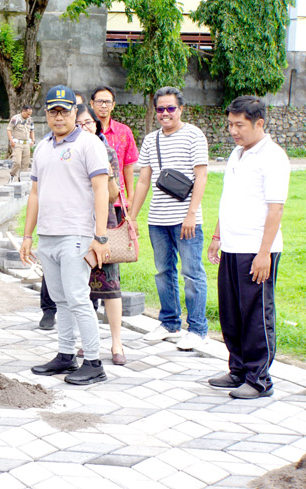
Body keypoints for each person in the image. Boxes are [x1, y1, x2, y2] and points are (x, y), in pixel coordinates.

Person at [19, 85, 111, 385]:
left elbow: (101, 189)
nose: (59, 117)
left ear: (75, 111)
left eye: (65, 110)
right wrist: (27, 235)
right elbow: (34, 193)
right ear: (46, 113)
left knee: (78, 297)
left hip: (77, 232)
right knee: (59, 299)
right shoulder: (42, 146)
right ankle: (66, 354)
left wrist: (100, 236)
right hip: (48, 233)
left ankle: (94, 361)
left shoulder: (89, 144)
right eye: (53, 111)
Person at [207, 96, 289, 399]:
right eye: (230, 124)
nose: (233, 130)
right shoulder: (236, 154)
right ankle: (238, 370)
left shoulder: (274, 157)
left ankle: (258, 379)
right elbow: (227, 199)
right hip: (231, 246)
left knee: (256, 314)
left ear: (259, 124)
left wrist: (264, 252)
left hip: (256, 249)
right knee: (231, 314)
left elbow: (275, 209)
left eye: (239, 125)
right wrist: (217, 237)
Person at [130, 86, 210, 351]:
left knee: (192, 273)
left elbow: (201, 176)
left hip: (186, 219)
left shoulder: (194, 135)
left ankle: (198, 329)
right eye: (161, 109)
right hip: (158, 218)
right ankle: (169, 323)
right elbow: (143, 180)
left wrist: (191, 214)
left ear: (181, 109)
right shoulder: (151, 140)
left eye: (171, 108)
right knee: (164, 272)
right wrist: (132, 215)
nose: (165, 113)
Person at [76, 104, 127, 365]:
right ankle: (89, 340)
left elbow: (114, 196)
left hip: (103, 227)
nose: (84, 128)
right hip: (77, 226)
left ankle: (117, 343)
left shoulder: (106, 151)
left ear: (96, 125)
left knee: (111, 286)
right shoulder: (70, 150)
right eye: (80, 123)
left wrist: (107, 173)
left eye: (88, 123)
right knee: (82, 288)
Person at [91, 86, 139, 218]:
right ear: (92, 104)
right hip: (89, 199)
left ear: (113, 105)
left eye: (107, 102)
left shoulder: (124, 131)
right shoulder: (86, 131)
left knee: (116, 237)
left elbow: (128, 166)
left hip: (117, 200)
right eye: (99, 101)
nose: (103, 105)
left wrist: (130, 198)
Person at [7, 104, 35, 183]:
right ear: (23, 111)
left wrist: (33, 140)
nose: (29, 115)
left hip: (26, 143)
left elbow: (32, 130)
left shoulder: (30, 120)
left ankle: (21, 179)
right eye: (28, 113)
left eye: (30, 114)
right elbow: (9, 129)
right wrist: (11, 141)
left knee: (25, 163)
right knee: (17, 162)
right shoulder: (16, 118)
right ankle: (12, 175)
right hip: (17, 143)